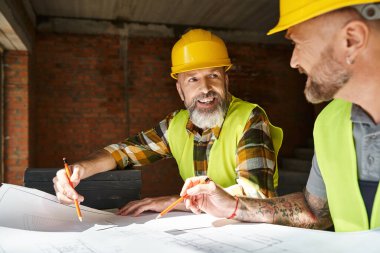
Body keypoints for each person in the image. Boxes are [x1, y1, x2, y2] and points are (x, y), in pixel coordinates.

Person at [180, 1, 380, 232]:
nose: (294, 61)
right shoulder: (330, 122)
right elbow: (315, 211)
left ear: (352, 39)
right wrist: (233, 206)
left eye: (298, 43)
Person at [53, 29, 283, 216]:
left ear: (226, 81)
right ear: (180, 90)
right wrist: (79, 169)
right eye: (193, 79)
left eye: (213, 75)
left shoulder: (249, 118)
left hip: (248, 232)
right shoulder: (176, 124)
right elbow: (124, 153)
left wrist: (175, 201)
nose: (205, 89)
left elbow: (258, 198)